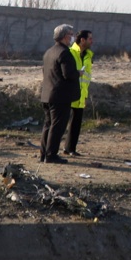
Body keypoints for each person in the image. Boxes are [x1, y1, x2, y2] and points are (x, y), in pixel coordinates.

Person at [39, 24, 81, 164]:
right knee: (57, 126)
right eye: (71, 34)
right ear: (65, 36)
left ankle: (43, 154)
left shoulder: (49, 52)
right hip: (60, 96)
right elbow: (68, 74)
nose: (73, 37)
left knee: (48, 125)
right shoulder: (64, 52)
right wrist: (78, 73)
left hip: (47, 94)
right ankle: (51, 155)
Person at [64, 30, 94, 157]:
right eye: (90, 39)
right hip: (69, 93)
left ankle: (70, 149)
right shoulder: (70, 52)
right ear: (82, 40)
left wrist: (85, 94)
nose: (92, 41)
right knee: (61, 123)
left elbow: (87, 77)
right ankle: (52, 149)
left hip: (81, 94)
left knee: (76, 124)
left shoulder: (88, 55)